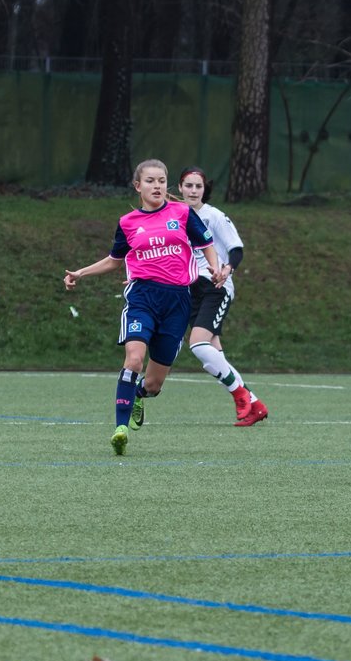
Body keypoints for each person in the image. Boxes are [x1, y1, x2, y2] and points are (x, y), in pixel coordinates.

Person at [64, 159, 229, 455]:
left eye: (162, 181)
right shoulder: (128, 223)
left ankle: (139, 395)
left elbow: (206, 244)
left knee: (153, 384)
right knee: (134, 359)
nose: (157, 186)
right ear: (138, 186)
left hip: (178, 301)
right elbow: (115, 260)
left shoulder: (181, 213)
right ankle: (120, 429)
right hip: (142, 297)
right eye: (151, 181)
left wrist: (215, 268)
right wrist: (80, 273)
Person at [177, 165, 268, 426]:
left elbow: (236, 249)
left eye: (198, 186)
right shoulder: (176, 216)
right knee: (213, 356)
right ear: (180, 188)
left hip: (215, 287)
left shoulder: (214, 216)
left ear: (205, 190)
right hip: (190, 289)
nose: (193, 190)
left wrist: (226, 269)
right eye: (188, 185)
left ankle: (243, 397)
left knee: (198, 344)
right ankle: (254, 405)